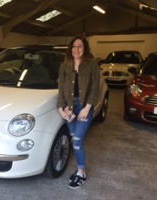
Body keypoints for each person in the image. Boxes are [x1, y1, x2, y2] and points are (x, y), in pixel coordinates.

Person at [57, 35, 100, 189]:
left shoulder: (91, 64)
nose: (77, 49)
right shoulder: (65, 65)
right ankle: (80, 169)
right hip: (69, 108)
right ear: (70, 49)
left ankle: (81, 171)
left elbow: (95, 87)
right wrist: (60, 108)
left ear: (85, 48)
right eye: (74, 46)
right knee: (75, 138)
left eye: (80, 46)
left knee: (76, 142)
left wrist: (87, 108)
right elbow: (61, 87)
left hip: (84, 107)